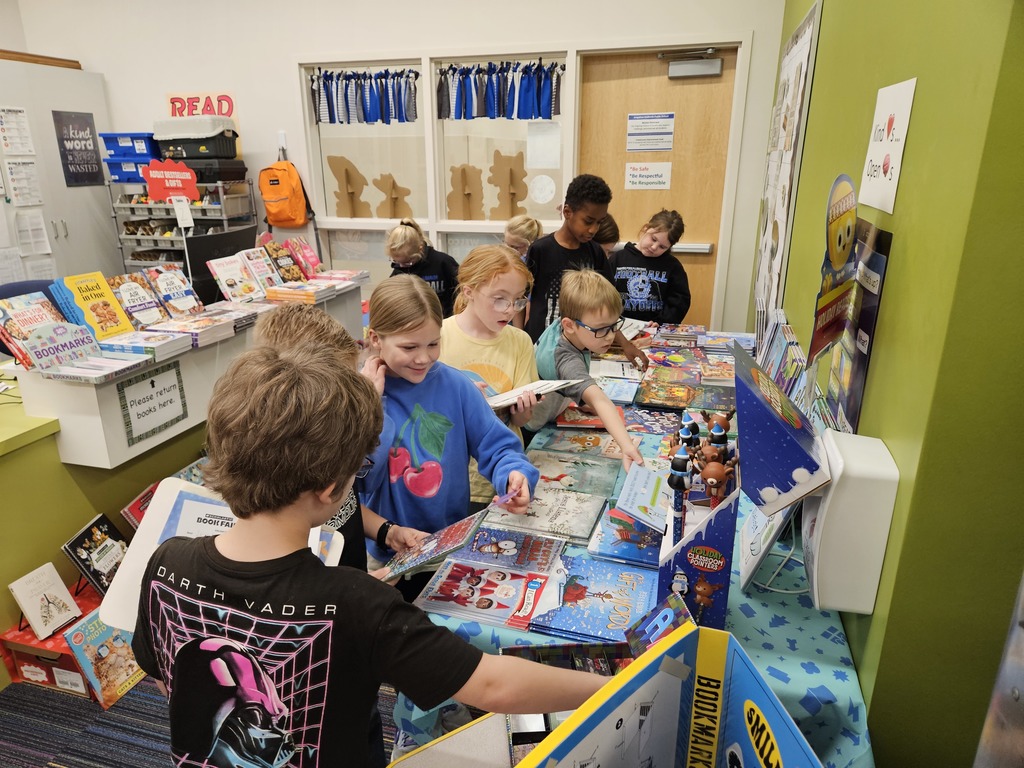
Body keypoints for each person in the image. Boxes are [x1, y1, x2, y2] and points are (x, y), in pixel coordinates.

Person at [131, 345, 607, 768]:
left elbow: (167, 679)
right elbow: (493, 686)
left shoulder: (166, 561)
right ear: (330, 487)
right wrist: (611, 687)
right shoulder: (357, 603)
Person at [360, 274, 540, 588]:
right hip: (383, 553)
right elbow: (355, 484)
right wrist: (369, 405)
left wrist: (513, 473)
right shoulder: (358, 397)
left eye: (433, 343)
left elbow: (497, 447)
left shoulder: (457, 385)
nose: (423, 357)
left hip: (447, 545)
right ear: (375, 338)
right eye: (409, 346)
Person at [252, 303, 428, 573]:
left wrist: (387, 532)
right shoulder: (284, 464)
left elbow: (344, 505)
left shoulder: (329, 436)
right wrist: (361, 590)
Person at [439, 244, 540, 511]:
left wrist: (524, 411)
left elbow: (520, 421)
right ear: (469, 291)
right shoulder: (437, 338)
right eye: (499, 299)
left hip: (504, 475)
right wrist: (464, 401)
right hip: (452, 476)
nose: (510, 310)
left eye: (518, 299)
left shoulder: (520, 341)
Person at [520, 174, 648, 370]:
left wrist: (626, 345)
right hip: (540, 348)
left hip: (578, 350)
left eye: (599, 222)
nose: (593, 229)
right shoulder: (540, 249)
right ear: (567, 212)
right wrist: (519, 340)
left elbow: (608, 308)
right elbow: (520, 299)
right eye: (588, 221)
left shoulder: (595, 252)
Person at [527, 269, 645, 472]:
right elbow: (599, 399)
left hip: (553, 412)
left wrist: (576, 395)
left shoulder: (568, 326)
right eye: (601, 329)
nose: (610, 336)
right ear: (570, 325)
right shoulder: (565, 359)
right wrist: (626, 446)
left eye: (614, 325)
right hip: (533, 430)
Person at [609, 209, 691, 323]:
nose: (654, 247)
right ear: (646, 228)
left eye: (662, 247)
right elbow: (603, 295)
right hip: (619, 327)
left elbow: (679, 302)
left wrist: (661, 322)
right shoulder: (617, 259)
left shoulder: (673, 266)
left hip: (655, 329)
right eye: (653, 239)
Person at [387, 217, 460, 316]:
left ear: (420, 249)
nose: (402, 267)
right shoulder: (398, 272)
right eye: (397, 262)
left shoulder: (443, 262)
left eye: (408, 263)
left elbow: (463, 289)